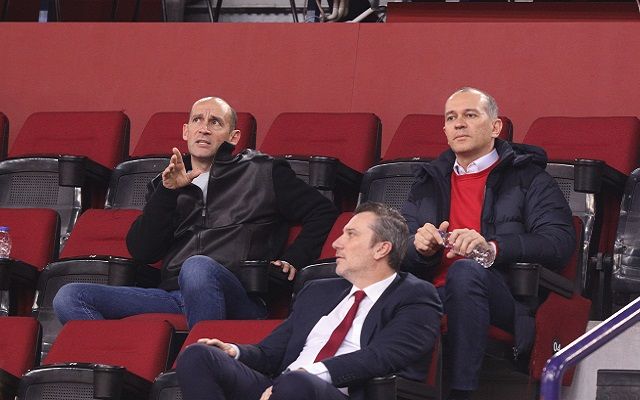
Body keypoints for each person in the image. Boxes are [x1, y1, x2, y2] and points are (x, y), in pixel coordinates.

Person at [53, 96, 338, 328]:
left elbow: (323, 211)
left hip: (238, 296)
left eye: (215, 122)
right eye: (197, 120)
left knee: (197, 267)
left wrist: (292, 259)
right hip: (173, 296)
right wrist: (168, 192)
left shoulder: (263, 171)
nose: (204, 128)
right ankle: (132, 363)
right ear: (185, 131)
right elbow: (142, 251)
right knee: (70, 296)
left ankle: (201, 362)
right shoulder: (165, 183)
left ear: (233, 136)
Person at [401, 87, 575, 400]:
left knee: (465, 271)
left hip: (504, 296)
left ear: (495, 127)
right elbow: (398, 247)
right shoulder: (427, 181)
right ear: (445, 131)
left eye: (470, 115)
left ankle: (461, 393)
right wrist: (419, 247)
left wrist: (492, 248)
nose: (459, 123)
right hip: (433, 293)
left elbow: (558, 243)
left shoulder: (529, 178)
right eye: (451, 118)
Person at [176, 202, 443, 400]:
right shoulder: (318, 292)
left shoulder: (416, 296)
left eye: (351, 234)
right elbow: (270, 353)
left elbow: (380, 358)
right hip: (282, 389)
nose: (337, 243)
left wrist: (305, 374)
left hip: (338, 393)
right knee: (198, 355)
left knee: (295, 384)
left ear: (381, 248)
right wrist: (235, 352)